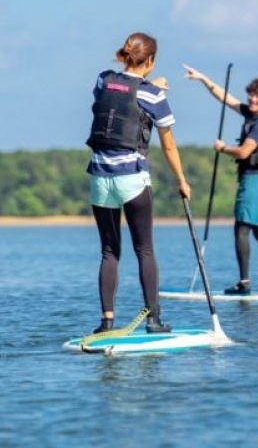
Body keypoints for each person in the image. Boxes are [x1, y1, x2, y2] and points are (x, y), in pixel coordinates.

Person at [87, 33, 192, 334]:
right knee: (144, 249)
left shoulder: (102, 80)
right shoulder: (154, 96)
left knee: (109, 251)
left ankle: (107, 322)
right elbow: (169, 147)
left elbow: (119, 98)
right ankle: (153, 320)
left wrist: (147, 83)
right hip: (131, 177)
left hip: (99, 175)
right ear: (151, 60)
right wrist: (182, 181)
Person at [183, 65, 258, 295]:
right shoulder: (252, 114)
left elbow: (243, 152)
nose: (252, 98)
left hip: (256, 182)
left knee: (242, 230)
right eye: (251, 94)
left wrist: (223, 148)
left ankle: (244, 283)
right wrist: (202, 78)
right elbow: (225, 97)